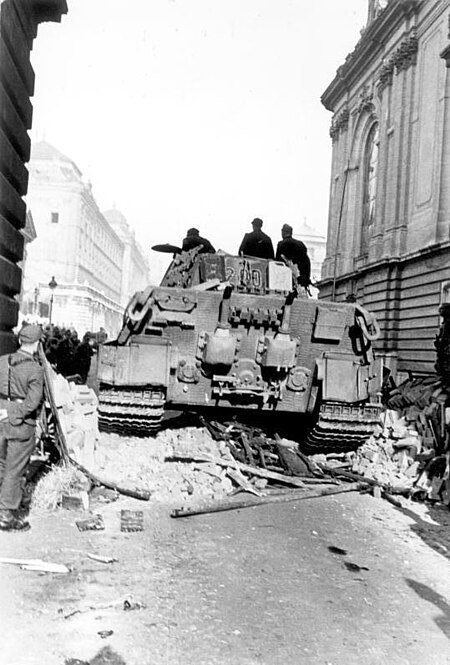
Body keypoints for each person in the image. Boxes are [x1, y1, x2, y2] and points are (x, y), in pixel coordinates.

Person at [0, 324, 45, 531]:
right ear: (36, 345)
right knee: (14, 471)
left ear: (20, 341)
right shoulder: (35, 369)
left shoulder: (2, 361)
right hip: (20, 424)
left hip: (1, 419)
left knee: (1, 466)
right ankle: (6, 516)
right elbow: (32, 403)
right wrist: (13, 413)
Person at [275, 224, 311, 288]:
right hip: (301, 277)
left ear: (283, 232)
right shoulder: (300, 244)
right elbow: (306, 261)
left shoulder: (281, 244)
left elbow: (277, 262)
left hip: (286, 277)